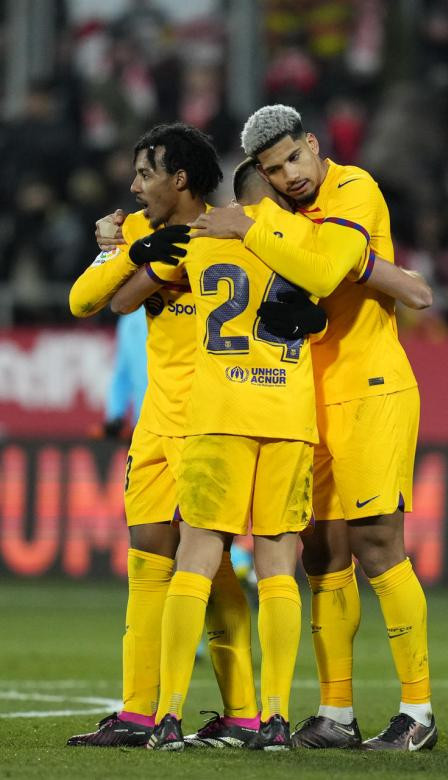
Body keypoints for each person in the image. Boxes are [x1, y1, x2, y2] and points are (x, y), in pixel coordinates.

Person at [190, 104, 437, 751]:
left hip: (370, 388)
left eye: (294, 159)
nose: (289, 176)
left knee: (378, 543)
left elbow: (326, 272)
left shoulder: (354, 188)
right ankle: (338, 714)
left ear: (313, 145)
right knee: (322, 552)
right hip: (306, 398)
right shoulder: (281, 218)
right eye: (273, 171)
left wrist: (251, 228)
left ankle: (418, 712)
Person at [110, 157, 327, 751]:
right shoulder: (308, 239)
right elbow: (332, 291)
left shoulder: (199, 240)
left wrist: (122, 243)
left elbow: (122, 300)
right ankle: (277, 719)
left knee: (196, 558)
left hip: (217, 417)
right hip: (287, 416)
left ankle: (168, 716)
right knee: (279, 565)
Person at [65, 124, 259, 748]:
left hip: (210, 420)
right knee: (147, 560)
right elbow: (85, 300)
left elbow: (121, 303)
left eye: (145, 172)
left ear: (179, 178)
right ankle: (137, 711)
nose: (133, 184)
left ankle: (245, 712)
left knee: (212, 568)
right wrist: (125, 250)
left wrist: (135, 252)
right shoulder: (145, 236)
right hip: (156, 422)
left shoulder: (228, 232)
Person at [100, 308, 148, 439]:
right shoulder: (130, 317)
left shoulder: (186, 307)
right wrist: (115, 415)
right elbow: (122, 373)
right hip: (144, 426)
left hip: (184, 422)